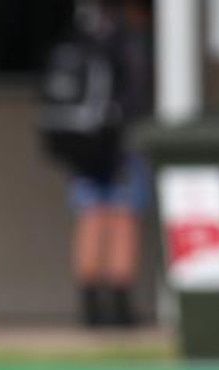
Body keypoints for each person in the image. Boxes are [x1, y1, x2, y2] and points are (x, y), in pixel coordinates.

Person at [67, 0, 154, 327]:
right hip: (119, 141)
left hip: (86, 142)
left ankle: (91, 307)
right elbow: (135, 91)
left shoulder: (87, 25)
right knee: (121, 219)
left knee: (91, 216)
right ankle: (118, 309)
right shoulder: (126, 34)